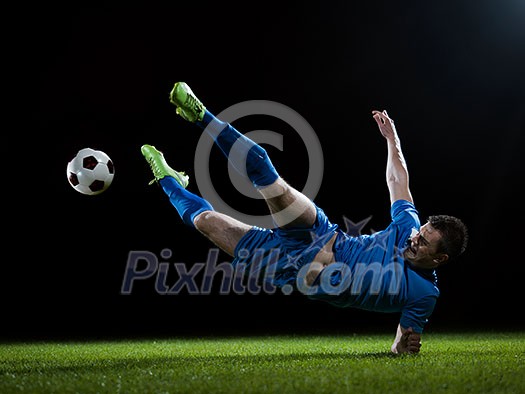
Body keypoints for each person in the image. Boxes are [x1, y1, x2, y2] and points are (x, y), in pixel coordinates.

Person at [141, 82, 468, 354]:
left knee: (204, 222)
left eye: (423, 241)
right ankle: (201, 115)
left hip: (286, 268)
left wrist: (407, 347)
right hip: (318, 235)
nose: (414, 238)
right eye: (420, 231)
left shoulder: (424, 294)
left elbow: (400, 344)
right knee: (270, 180)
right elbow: (398, 181)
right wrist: (392, 140)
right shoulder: (407, 228)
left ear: (440, 258)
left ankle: (169, 179)